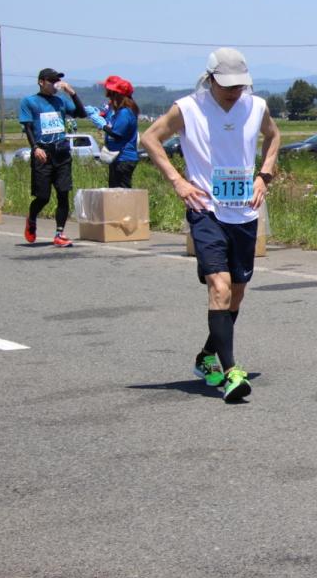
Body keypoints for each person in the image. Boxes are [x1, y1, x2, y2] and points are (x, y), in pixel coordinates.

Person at [141, 48, 280, 402]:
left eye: (239, 85)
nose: (234, 91)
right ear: (210, 78)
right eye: (227, 85)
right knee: (218, 286)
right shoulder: (188, 108)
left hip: (244, 212)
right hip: (205, 210)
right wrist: (178, 181)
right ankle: (232, 371)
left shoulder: (257, 106)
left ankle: (207, 357)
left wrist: (264, 176)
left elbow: (274, 137)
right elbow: (150, 138)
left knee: (236, 292)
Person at [18, 68, 87, 247]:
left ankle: (59, 234)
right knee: (43, 197)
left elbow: (81, 113)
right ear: (41, 82)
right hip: (43, 152)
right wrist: (35, 148)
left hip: (62, 152)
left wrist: (73, 93)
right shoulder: (30, 102)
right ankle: (32, 218)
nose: (55, 83)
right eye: (51, 80)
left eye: (57, 80)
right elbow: (28, 127)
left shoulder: (60, 101)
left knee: (63, 193)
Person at [86, 76, 141, 188]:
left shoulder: (125, 113)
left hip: (123, 158)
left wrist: (103, 125)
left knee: (121, 192)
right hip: (116, 158)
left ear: (116, 94)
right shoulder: (119, 113)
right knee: (114, 191)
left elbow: (117, 134)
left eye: (110, 93)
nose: (108, 96)